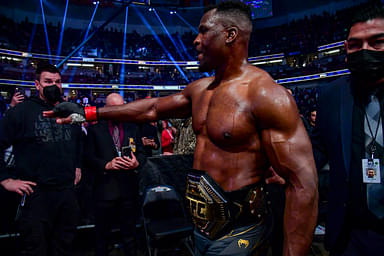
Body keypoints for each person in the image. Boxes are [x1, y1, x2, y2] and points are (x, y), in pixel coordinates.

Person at [44, 1, 318, 255]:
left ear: (231, 35)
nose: (195, 40)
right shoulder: (200, 90)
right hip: (200, 228)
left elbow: (302, 185)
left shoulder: (266, 95)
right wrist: (88, 112)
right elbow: (152, 108)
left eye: (203, 31)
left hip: (242, 230)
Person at [311, 4, 384, 256]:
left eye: (377, 43)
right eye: (355, 45)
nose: (364, 51)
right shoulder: (332, 95)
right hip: (350, 233)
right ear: (346, 49)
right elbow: (317, 149)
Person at [0, 63, 82, 256]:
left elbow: (79, 143)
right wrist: (5, 179)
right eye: (48, 81)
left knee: (64, 247)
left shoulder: (71, 111)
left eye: (58, 81)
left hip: (67, 194)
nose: (55, 85)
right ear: (37, 85)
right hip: (36, 195)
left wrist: (78, 166)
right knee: (37, 249)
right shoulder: (20, 113)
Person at [84, 93, 145, 256]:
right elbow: (88, 157)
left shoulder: (133, 127)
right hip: (105, 191)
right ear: (106, 109)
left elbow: (141, 153)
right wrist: (106, 165)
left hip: (128, 190)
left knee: (130, 235)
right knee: (102, 236)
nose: (119, 110)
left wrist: (137, 162)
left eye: (122, 106)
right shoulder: (95, 129)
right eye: (114, 108)